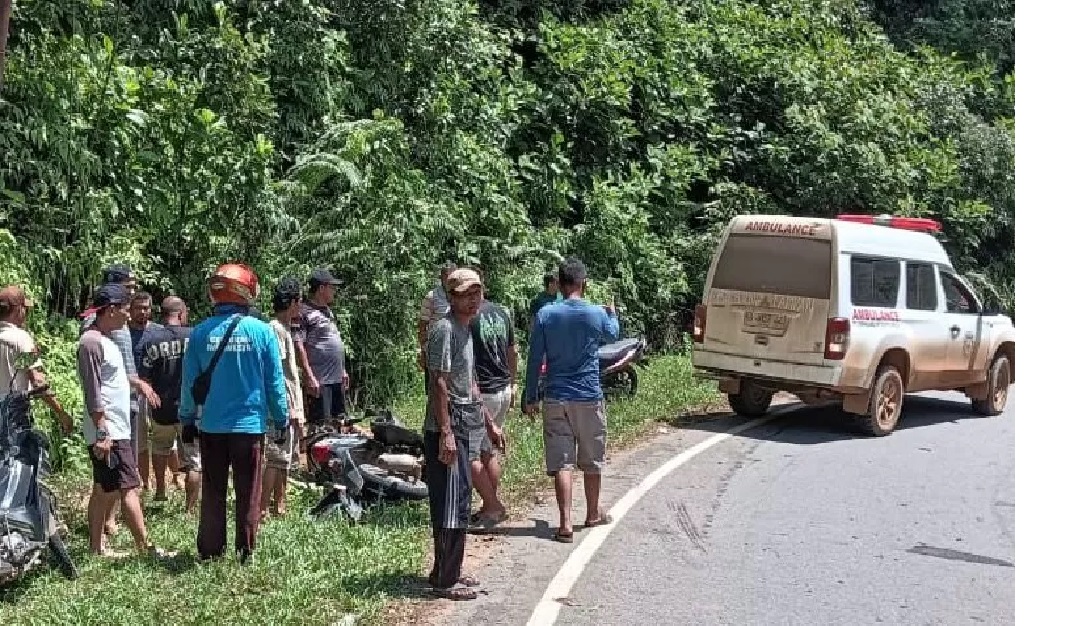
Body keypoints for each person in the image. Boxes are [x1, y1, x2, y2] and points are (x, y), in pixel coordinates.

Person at [178, 263, 288, 563]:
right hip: (249, 428)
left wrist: (186, 420)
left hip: (211, 427)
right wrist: (282, 420)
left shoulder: (199, 334)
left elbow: (189, 385)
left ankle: (211, 550)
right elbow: (274, 383)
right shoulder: (263, 332)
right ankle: (245, 550)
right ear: (246, 291)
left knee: (213, 490)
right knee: (248, 490)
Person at [523, 257, 619, 543]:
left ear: (560, 284)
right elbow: (613, 335)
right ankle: (592, 513)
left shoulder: (545, 315)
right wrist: (612, 313)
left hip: (556, 396)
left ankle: (564, 523)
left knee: (562, 461)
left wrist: (530, 396)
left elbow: (534, 359)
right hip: (589, 395)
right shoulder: (595, 313)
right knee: (592, 459)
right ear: (583, 284)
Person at [424, 268, 504, 601]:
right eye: (465, 294)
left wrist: (488, 422)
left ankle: (447, 570)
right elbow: (439, 383)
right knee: (450, 505)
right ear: (451, 297)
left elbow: (468, 381)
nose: (473, 300)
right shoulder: (444, 330)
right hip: (449, 425)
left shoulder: (466, 328)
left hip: (466, 421)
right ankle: (445, 580)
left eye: (477, 293)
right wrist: (446, 433)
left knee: (458, 501)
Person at [77, 284, 165, 558]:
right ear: (111, 310)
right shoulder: (91, 343)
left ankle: (95, 548)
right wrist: (102, 431)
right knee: (129, 486)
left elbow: (114, 379)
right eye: (125, 310)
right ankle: (146, 548)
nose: (129, 316)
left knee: (104, 489)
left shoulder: (106, 339)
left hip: (116, 427)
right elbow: (93, 391)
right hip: (109, 430)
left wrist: (139, 384)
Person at [138, 296, 201, 512]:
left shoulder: (151, 341)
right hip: (190, 409)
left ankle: (161, 491)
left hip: (161, 408)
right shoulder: (195, 337)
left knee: (160, 448)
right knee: (194, 459)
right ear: (181, 313)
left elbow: (144, 378)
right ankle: (190, 508)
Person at [466, 280, 517, 532]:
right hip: (503, 389)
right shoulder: (501, 312)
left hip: (483, 393)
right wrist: (513, 384)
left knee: (471, 455)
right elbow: (513, 352)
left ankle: (493, 505)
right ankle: (489, 508)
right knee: (488, 450)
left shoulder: (470, 317)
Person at [0, 285, 73, 434]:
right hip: (13, 415)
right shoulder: (20, 339)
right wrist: (61, 413)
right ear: (18, 309)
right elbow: (37, 381)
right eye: (25, 309)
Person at [261, 278, 305, 520]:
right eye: (300, 301)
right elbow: (275, 372)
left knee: (284, 458)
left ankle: (280, 505)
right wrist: (288, 408)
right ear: (293, 302)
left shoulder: (286, 329)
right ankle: (263, 508)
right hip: (280, 406)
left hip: (289, 405)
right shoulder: (275, 330)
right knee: (275, 457)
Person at [293, 268, 348, 431]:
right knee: (320, 428)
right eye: (332, 287)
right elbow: (298, 345)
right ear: (321, 288)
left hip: (336, 379)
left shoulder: (327, 311)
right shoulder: (303, 312)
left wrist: (342, 370)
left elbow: (332, 340)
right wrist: (309, 376)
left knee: (339, 423)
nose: (334, 291)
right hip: (320, 381)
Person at [129, 291, 164, 486]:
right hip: (135, 390)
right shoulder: (124, 332)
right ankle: (144, 481)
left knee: (165, 436)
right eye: (138, 308)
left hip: (158, 389)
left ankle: (172, 476)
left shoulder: (159, 331)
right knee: (140, 440)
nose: (142, 312)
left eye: (146, 308)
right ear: (131, 310)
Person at [417, 261, 457, 391]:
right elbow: (422, 325)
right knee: (434, 389)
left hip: (455, 350)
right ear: (441, 278)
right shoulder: (432, 297)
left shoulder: (459, 296)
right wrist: (422, 351)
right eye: (446, 277)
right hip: (435, 349)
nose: (448, 281)